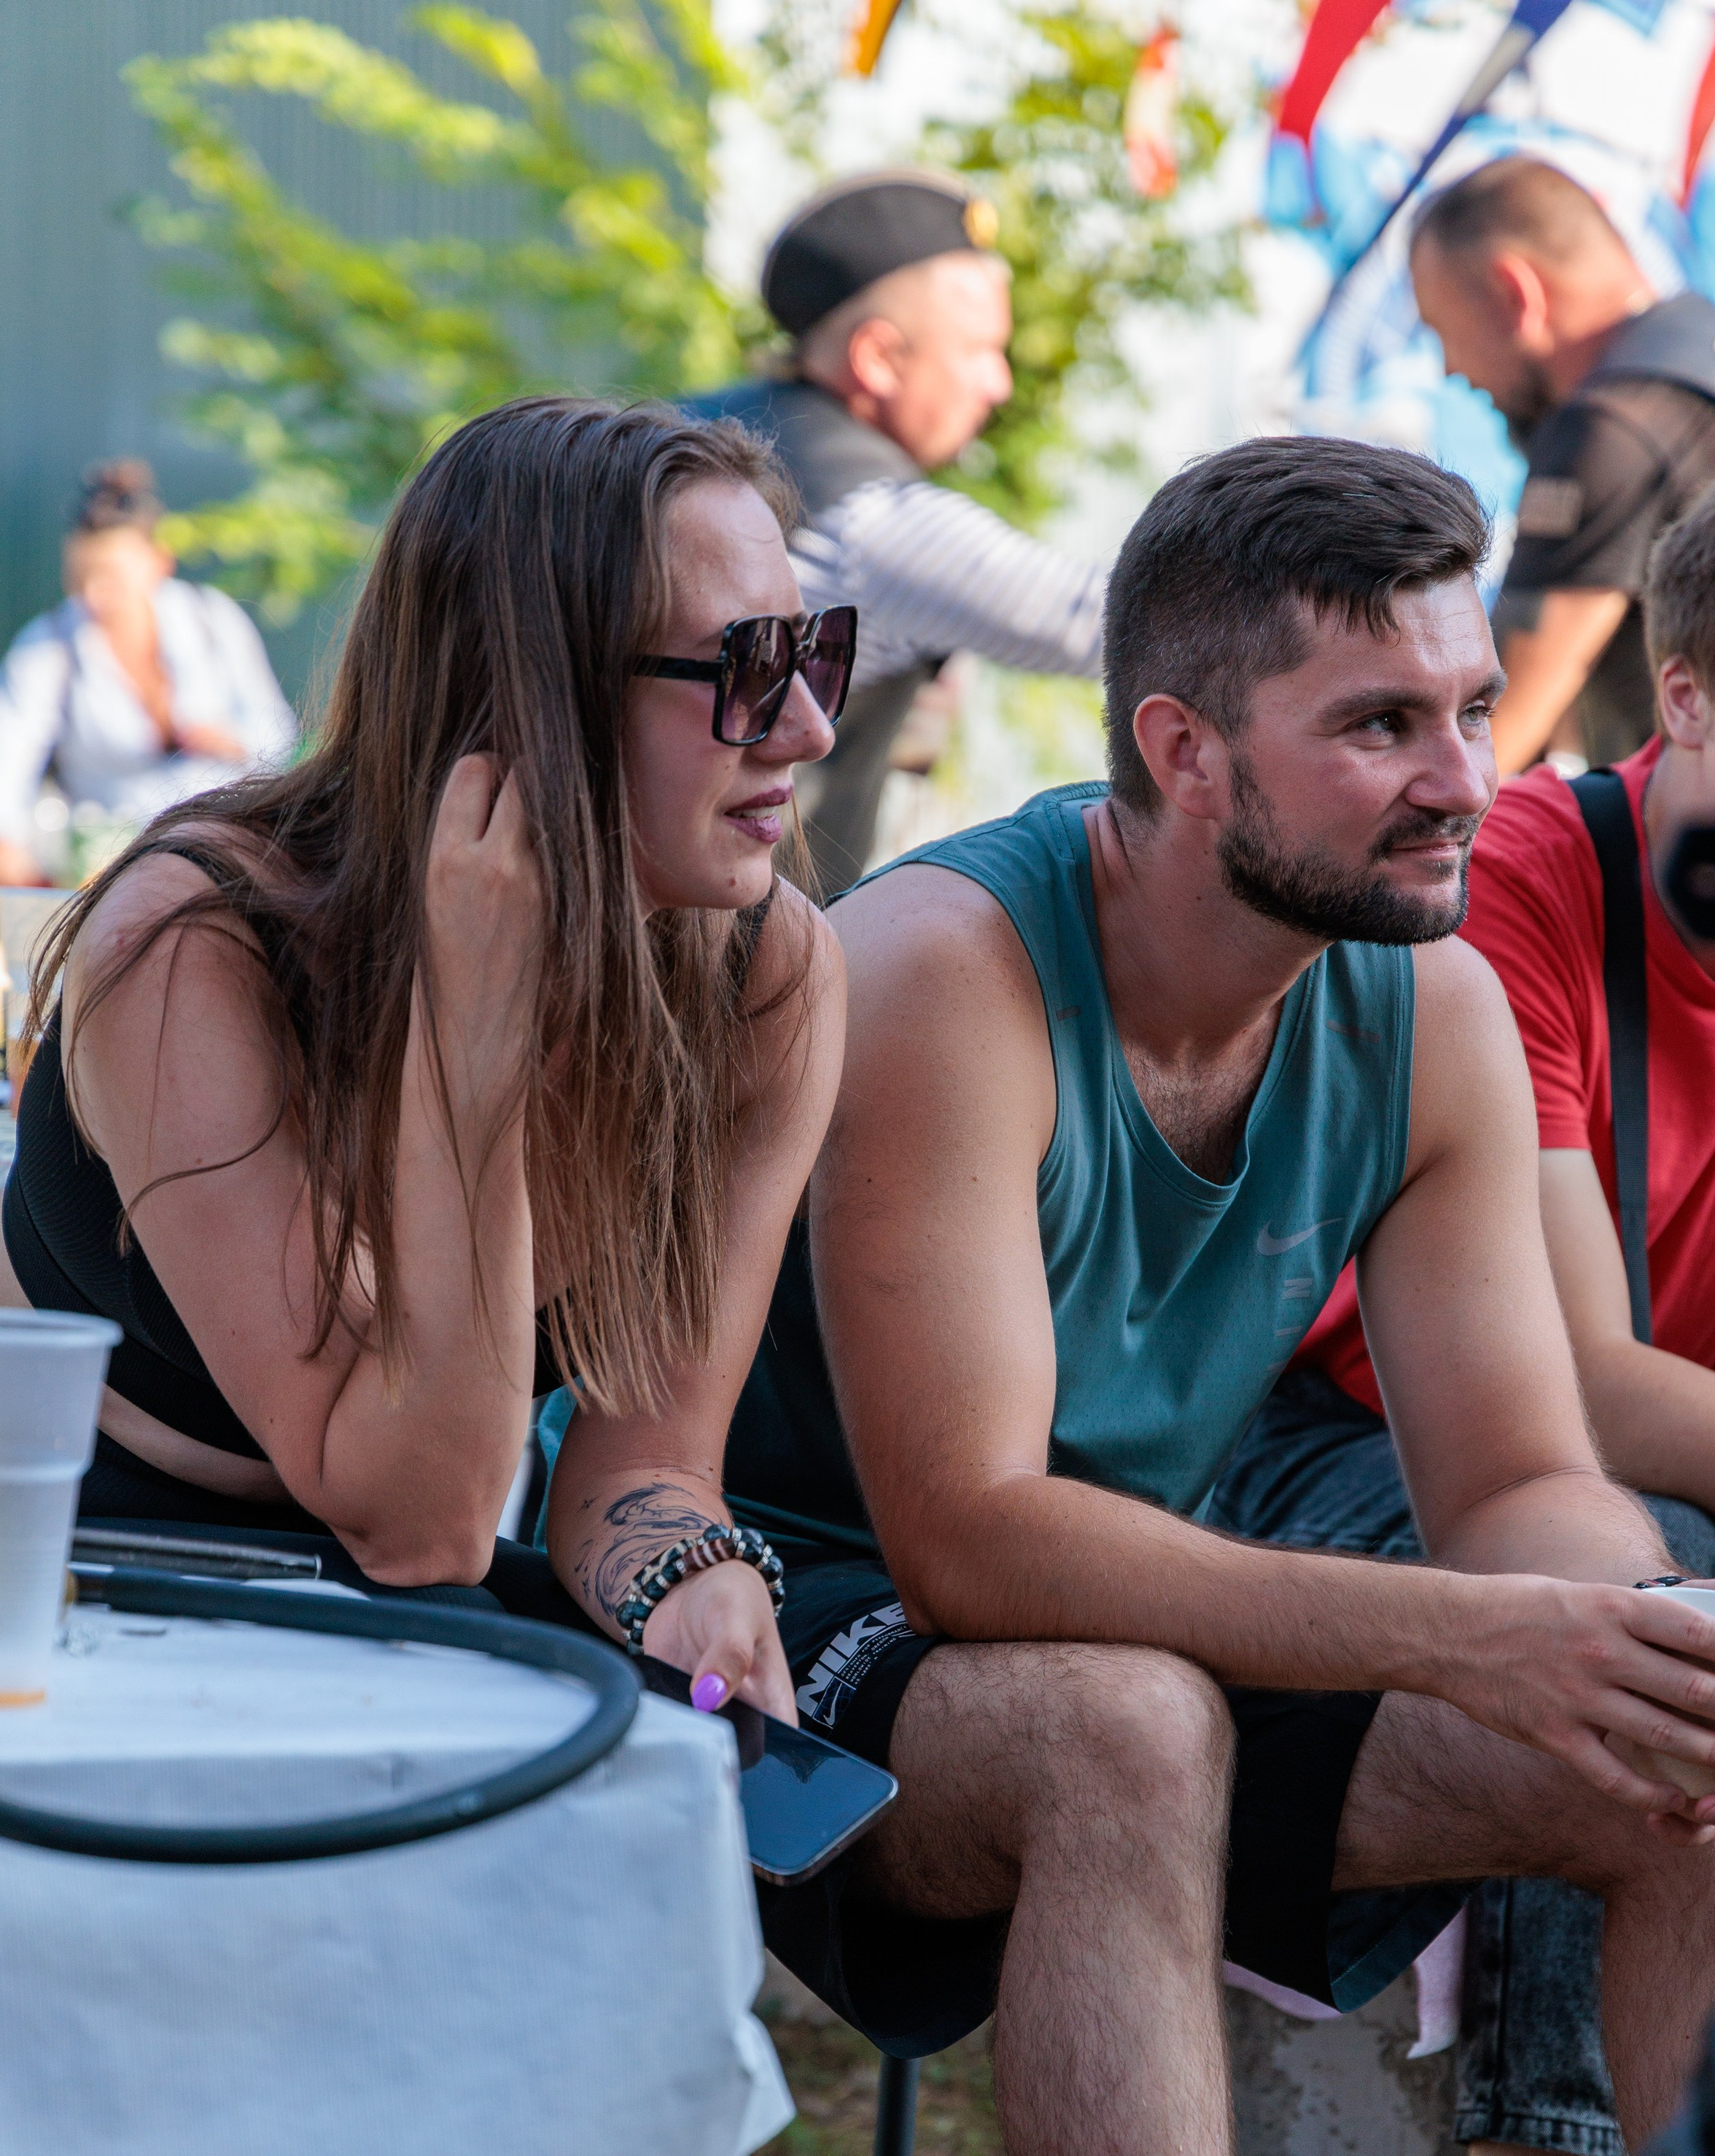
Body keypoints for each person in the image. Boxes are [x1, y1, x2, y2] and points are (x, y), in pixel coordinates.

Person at [719, 434, 1715, 2156]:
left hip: (1140, 1597)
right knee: (1126, 1734)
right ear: (1184, 749)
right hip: (788, 1642)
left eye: (1476, 710)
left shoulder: (1431, 1000)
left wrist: (1631, 1620)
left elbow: (1514, 1476)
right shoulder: (941, 969)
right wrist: (1483, 1640)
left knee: (1698, 1744)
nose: (1466, 783)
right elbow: (971, 1538)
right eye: (1384, 726)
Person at [1221, 455, 1715, 2156]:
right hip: (1355, 1436)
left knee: (1670, 1571)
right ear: (1680, 701)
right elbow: (1572, 1386)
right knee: (1652, 1608)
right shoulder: (1515, 878)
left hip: (1622, 1445)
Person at [0, 398, 848, 1714]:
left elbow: (646, 1465)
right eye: (743, 667)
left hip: (394, 1597)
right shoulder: (195, 945)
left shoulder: (762, 976)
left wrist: (687, 1579)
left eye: (815, 655)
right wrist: (474, 1035)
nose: (807, 728)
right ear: (534, 697)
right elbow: (419, 1527)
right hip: (79, 1568)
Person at [693, 171, 1104, 896]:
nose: (999, 384)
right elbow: (1114, 624)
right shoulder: (874, 527)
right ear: (877, 358)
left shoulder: (689, 441)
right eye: (981, 349)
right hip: (736, 964)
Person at [1409, 158, 1715, 776]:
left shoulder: (1609, 430)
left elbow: (1490, 746)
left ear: (1514, 295)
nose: (1449, 367)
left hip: (1714, 845)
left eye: (1439, 330)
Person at [0, 461, 296, 886]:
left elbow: (278, 732)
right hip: (111, 863)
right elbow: (10, 758)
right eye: (81, 576)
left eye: (112, 577)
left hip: (230, 847)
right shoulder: (48, 646)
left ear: (159, 561)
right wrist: (9, 845)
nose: (94, 594)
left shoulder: (213, 619)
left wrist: (227, 741)